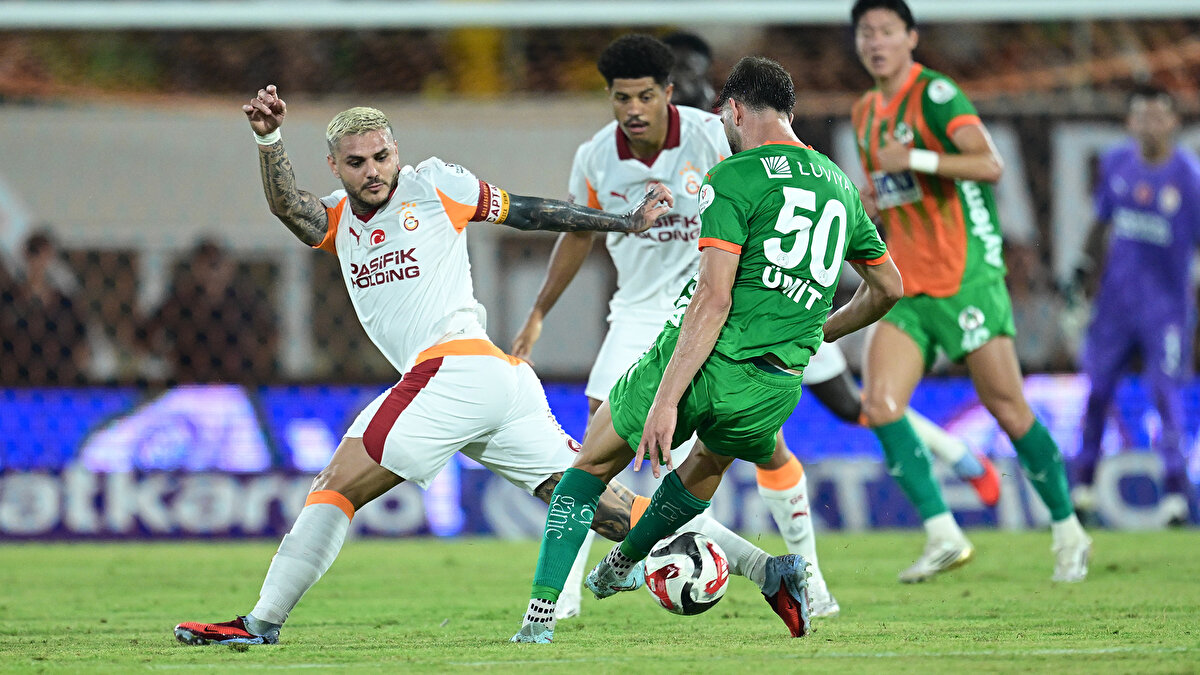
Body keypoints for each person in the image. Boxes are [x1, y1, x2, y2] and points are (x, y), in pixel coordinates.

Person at [174, 86, 799, 646]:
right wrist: (268, 138)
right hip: (494, 385)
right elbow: (292, 207)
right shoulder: (339, 217)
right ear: (335, 166)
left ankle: (260, 623)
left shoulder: (433, 185)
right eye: (357, 162)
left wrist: (622, 223)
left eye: (382, 156)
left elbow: (529, 210)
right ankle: (762, 569)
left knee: (337, 483)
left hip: (455, 369)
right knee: (600, 506)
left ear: (397, 152)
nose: (373, 171)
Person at [511, 33, 994, 617]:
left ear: (710, 105)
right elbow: (886, 283)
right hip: (714, 336)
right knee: (699, 457)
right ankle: (618, 581)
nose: (633, 108)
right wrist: (822, 330)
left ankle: (553, 608)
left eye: (645, 95)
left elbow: (718, 287)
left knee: (597, 461)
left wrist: (672, 395)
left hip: (720, 322)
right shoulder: (600, 155)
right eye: (621, 97)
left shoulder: (717, 146)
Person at [849, 0, 1091, 583]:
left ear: (911, 36)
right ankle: (942, 534)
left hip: (965, 277)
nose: (875, 41)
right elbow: (891, 189)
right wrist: (873, 199)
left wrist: (919, 156)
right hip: (907, 285)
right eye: (865, 32)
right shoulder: (864, 111)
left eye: (886, 30)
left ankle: (1068, 530)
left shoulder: (935, 95)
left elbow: (990, 164)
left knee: (1006, 407)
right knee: (879, 405)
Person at [1072, 85, 1200, 526]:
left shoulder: (1190, 178)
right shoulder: (1116, 164)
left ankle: (1175, 496)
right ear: (1130, 123)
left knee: (1165, 394)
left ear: (1173, 123)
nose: (1148, 125)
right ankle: (1083, 487)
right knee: (1097, 392)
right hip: (1115, 305)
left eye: (1157, 116)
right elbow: (1102, 224)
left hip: (1165, 308)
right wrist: (1084, 270)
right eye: (1140, 117)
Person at [139, 238, 279, 383]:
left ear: (228, 267)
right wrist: (165, 354)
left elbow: (272, 334)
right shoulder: (181, 303)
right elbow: (145, 334)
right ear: (195, 268)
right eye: (205, 266)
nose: (212, 273)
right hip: (191, 384)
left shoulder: (245, 301)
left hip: (235, 384)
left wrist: (257, 363)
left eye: (215, 266)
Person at [0, 230, 90, 385]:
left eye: (44, 254)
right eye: (35, 252)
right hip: (13, 385)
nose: (39, 260)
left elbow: (82, 347)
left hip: (55, 384)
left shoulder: (65, 304)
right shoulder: (7, 301)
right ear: (26, 255)